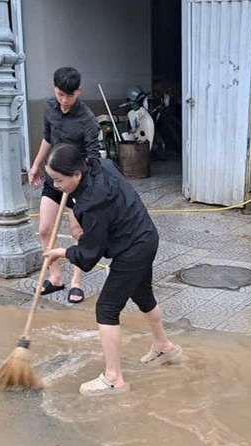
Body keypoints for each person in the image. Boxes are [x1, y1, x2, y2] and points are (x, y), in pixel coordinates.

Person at [42, 143, 182, 396]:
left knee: (106, 308)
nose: (55, 186)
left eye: (59, 180)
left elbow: (88, 256)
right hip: (145, 235)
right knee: (142, 295)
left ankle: (113, 378)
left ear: (77, 174)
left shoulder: (92, 204)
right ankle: (165, 347)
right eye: (52, 179)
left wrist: (60, 252)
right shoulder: (102, 165)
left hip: (133, 249)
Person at [28, 67, 100, 304]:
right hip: (53, 178)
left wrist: (82, 184)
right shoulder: (50, 107)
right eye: (60, 94)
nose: (64, 100)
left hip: (78, 183)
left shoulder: (88, 120)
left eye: (70, 95)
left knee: (77, 232)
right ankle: (56, 278)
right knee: (45, 228)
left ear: (79, 90)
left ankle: (77, 282)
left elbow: (93, 157)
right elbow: (48, 137)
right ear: (54, 89)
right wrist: (36, 165)